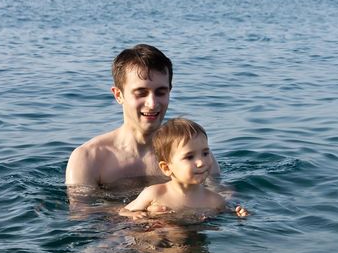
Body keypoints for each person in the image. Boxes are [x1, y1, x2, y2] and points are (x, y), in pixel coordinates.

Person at [65, 44, 220, 188]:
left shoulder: (193, 152)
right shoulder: (89, 159)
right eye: (141, 93)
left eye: (161, 92)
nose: (152, 103)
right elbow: (82, 213)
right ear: (118, 95)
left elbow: (219, 195)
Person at [119, 118, 249, 220]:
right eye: (189, 157)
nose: (201, 163)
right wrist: (133, 216)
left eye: (205, 153)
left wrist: (238, 214)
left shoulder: (215, 200)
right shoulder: (154, 194)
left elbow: (227, 215)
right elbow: (124, 211)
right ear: (166, 168)